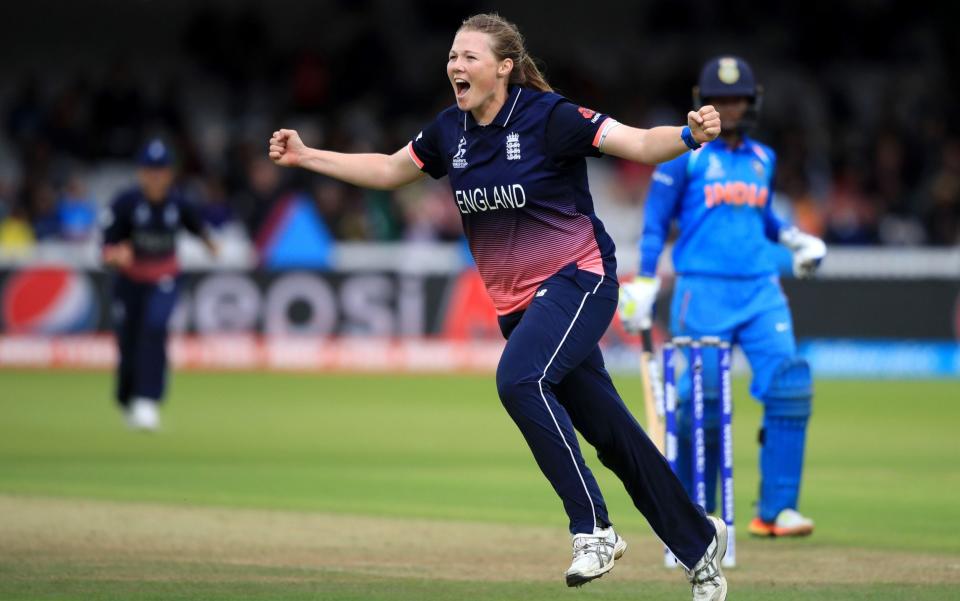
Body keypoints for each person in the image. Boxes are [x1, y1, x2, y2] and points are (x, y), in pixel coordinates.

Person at [269, 14, 729, 600]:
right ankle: (699, 546)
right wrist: (308, 155)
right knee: (613, 434)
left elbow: (638, 143)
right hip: (519, 307)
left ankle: (593, 528)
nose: (455, 66)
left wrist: (689, 134)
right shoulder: (447, 132)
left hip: (578, 280)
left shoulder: (549, 117)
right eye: (452, 57)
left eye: (469, 57)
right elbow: (389, 170)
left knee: (519, 380)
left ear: (504, 68)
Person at [618, 56, 827, 538]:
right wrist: (646, 281)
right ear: (703, 102)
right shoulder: (684, 154)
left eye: (738, 99)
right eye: (721, 99)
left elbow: (761, 217)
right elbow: (654, 223)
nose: (730, 108)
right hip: (702, 290)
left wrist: (793, 238)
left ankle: (777, 511)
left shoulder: (763, 159)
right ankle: (697, 515)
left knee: (789, 387)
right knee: (701, 402)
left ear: (752, 102)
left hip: (761, 290)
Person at [101, 138, 217, 431]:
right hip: (130, 281)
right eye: (150, 170)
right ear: (140, 173)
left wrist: (211, 245)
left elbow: (198, 228)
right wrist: (116, 255)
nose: (155, 177)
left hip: (165, 278)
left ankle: (148, 400)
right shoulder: (126, 203)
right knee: (129, 342)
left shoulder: (179, 203)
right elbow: (106, 247)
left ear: (170, 174)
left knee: (155, 328)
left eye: (161, 170)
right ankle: (127, 398)